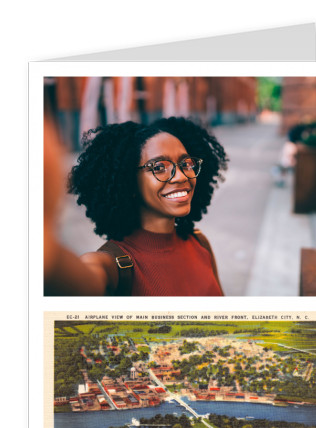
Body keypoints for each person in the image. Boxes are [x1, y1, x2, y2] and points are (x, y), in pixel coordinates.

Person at [46, 116, 228, 296]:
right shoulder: (111, 266)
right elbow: (71, 279)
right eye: (159, 167)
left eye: (186, 163)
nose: (181, 176)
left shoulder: (200, 243)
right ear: (129, 181)